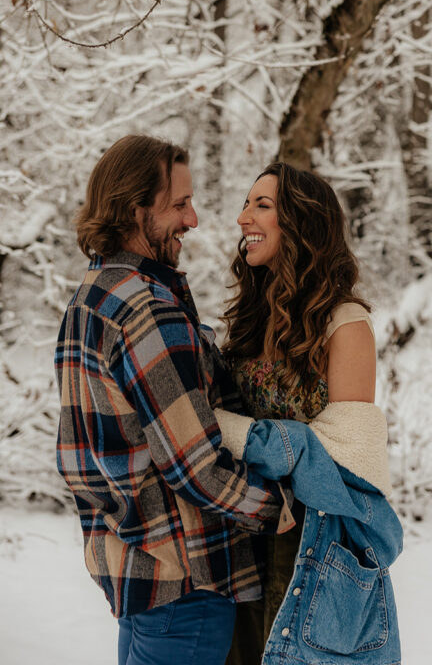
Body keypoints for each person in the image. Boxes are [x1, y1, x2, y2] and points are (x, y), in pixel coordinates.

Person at [54, 135, 292, 665]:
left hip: (135, 578)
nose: (196, 219)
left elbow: (79, 454)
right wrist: (283, 508)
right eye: (180, 204)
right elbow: (197, 468)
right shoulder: (148, 312)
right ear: (136, 210)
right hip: (187, 592)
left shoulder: (91, 297)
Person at [220, 161, 390, 663]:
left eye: (262, 205)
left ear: (302, 222)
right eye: (246, 203)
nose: (242, 218)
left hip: (313, 554)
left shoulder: (345, 324)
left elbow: (350, 463)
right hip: (243, 538)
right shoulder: (251, 321)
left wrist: (224, 429)